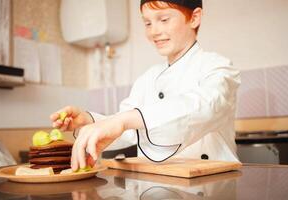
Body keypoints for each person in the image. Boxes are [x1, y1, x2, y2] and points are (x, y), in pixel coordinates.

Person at [50, 0, 240, 171]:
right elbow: (128, 131)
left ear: (194, 18)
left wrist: (123, 121)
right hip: (155, 183)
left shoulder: (218, 68)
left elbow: (203, 106)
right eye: (147, 23)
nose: (154, 31)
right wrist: (89, 120)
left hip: (211, 185)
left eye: (164, 19)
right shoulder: (148, 78)